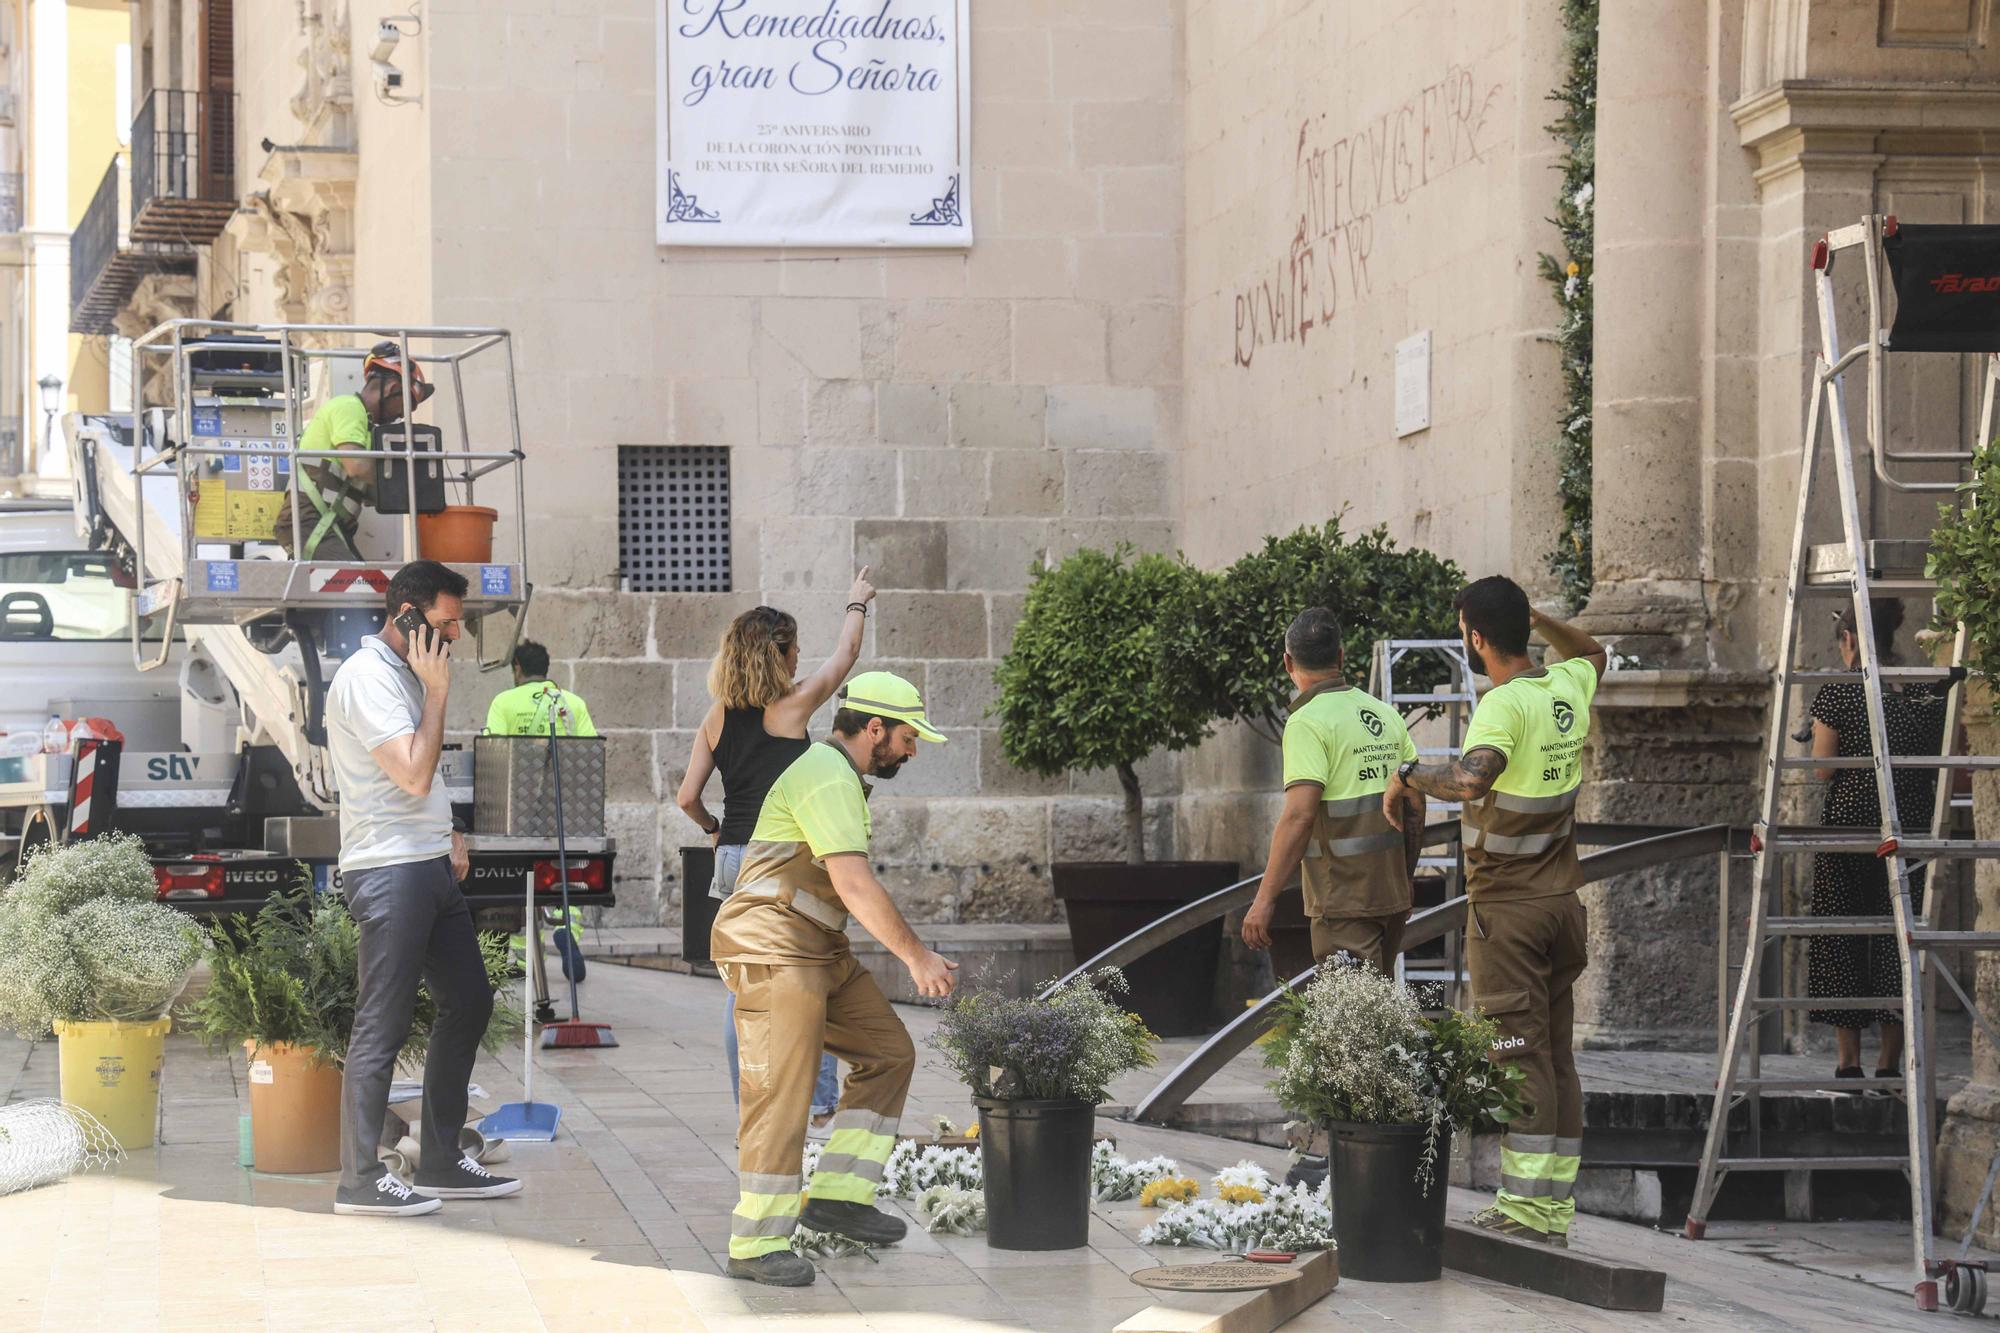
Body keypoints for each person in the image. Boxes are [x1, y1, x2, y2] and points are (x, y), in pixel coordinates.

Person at [709, 671, 958, 1287]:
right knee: (783, 1091)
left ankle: (839, 1198)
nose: (911, 749)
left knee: (888, 1053)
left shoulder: (841, 776)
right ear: (874, 729)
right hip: (774, 946)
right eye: (906, 736)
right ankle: (756, 1243)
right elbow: (852, 883)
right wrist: (917, 957)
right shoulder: (825, 774)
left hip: (816, 947)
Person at [1384, 575, 1605, 1247]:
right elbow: (1593, 653)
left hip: (1507, 910)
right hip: (1561, 903)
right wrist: (1541, 618)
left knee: (1519, 1054)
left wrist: (1407, 775)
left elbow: (1470, 780)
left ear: (1476, 639)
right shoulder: (1565, 689)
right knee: (1556, 1055)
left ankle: (1527, 1208)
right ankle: (1553, 1204)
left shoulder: (1503, 705)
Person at [326, 559, 519, 1217]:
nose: (457, 637)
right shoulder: (366, 677)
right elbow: (410, 772)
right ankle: (358, 1178)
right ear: (406, 615)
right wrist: (438, 693)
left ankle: (439, 1158)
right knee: (382, 1020)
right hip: (388, 871)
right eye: (446, 622)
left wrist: (451, 830)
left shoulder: (406, 675)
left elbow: (423, 778)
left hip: (425, 862)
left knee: (469, 998)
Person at [678, 572, 876, 1141]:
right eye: (794, 648)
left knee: (743, 990)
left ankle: (752, 1111)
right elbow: (847, 655)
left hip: (734, 858)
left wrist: (714, 829)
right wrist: (856, 600)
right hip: (786, 860)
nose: (801, 657)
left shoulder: (715, 717)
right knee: (816, 974)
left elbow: (687, 797)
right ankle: (815, 1108)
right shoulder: (792, 708)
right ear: (778, 655)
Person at [1806, 600, 1948, 1090]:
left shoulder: (1839, 693)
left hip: (1849, 831)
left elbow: (1823, 767)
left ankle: (1848, 1063)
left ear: (1848, 639)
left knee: (1842, 937)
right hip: (1906, 829)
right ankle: (1891, 1062)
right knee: (1898, 941)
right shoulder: (1919, 693)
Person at [1241, 606, 1424, 974]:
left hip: (1342, 902)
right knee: (1377, 1019)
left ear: (1287, 662)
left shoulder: (1306, 722)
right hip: (1389, 897)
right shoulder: (1385, 714)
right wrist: (1405, 880)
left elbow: (1299, 816)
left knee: (1352, 1028)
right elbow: (1415, 802)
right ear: (1340, 656)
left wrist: (1264, 900)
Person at [487, 640, 597, 986]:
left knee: (521, 875)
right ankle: (567, 930)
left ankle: (522, 955)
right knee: (568, 873)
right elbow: (591, 752)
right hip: (564, 808)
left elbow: (493, 752)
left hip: (517, 808)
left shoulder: (504, 702)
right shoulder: (572, 703)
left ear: (516, 666)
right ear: (546, 668)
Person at [275, 341, 435, 561]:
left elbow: (371, 489)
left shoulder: (366, 432)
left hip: (328, 524)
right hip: (308, 521)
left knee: (368, 586)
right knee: (357, 586)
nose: (402, 416)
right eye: (405, 406)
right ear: (392, 389)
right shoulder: (348, 408)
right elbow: (357, 467)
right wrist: (402, 480)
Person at [485, 641, 598, 738]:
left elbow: (493, 751)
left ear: (518, 669)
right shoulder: (575, 702)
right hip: (563, 764)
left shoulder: (502, 702)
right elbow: (591, 749)